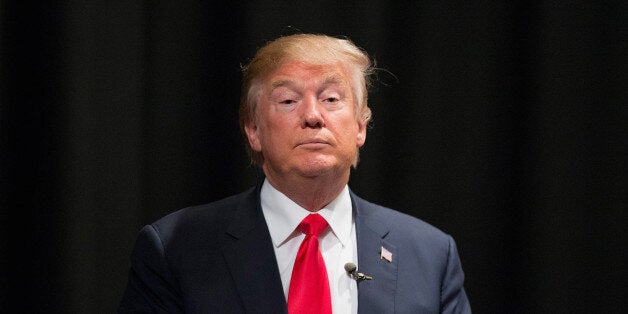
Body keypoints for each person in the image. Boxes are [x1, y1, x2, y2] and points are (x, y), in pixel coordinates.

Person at [119, 33, 471, 314]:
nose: (313, 116)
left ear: (361, 126)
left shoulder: (429, 254)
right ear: (254, 130)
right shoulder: (176, 249)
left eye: (332, 99)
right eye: (288, 101)